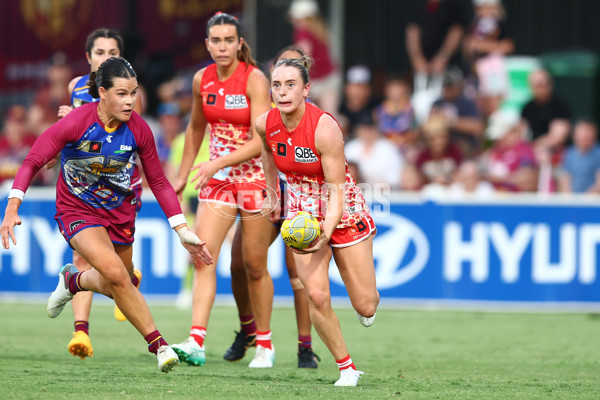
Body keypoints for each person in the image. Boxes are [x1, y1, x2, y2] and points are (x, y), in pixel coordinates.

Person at [0, 57, 213, 373]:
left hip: (120, 214)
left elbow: (158, 181)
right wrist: (12, 207)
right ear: (102, 93)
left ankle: (73, 280)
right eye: (123, 94)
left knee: (120, 281)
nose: (131, 101)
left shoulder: (139, 130)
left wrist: (181, 230)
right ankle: (160, 346)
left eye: (134, 93)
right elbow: (31, 162)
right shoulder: (76, 122)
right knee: (115, 274)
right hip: (77, 210)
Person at [257, 56, 379, 386]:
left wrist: (326, 232)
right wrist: (272, 193)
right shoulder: (265, 123)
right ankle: (346, 368)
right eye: (277, 85)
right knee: (317, 295)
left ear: (307, 89)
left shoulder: (325, 127)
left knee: (366, 305)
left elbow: (337, 191)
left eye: (291, 85)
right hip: (302, 214)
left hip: (344, 209)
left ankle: (363, 304)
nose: (282, 92)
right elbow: (267, 152)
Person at [170, 12, 275, 368]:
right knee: (203, 255)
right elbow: (195, 129)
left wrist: (219, 161)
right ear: (207, 44)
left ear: (240, 43)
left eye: (229, 40)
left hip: (255, 180)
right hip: (217, 182)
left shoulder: (255, 80)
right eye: (216, 41)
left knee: (253, 264)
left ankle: (264, 344)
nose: (222, 47)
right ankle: (197, 339)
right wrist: (183, 174)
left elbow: (263, 139)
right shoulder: (203, 80)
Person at [224, 45, 320, 369]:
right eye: (278, 74)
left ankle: (304, 347)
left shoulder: (314, 117)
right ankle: (249, 330)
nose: (282, 86)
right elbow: (263, 152)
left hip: (301, 200)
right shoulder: (264, 110)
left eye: (290, 75)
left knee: (298, 275)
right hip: (266, 194)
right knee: (241, 264)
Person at [55, 28, 144, 360]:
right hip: (83, 190)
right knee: (84, 257)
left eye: (112, 52)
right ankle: (81, 331)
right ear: (88, 58)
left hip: (119, 188)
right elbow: (69, 135)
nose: (106, 57)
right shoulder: (76, 87)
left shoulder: (131, 93)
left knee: (121, 265)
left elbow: (137, 139)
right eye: (100, 52)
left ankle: (130, 278)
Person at [288, 0, 341, 116]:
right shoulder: (320, 30)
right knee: (330, 116)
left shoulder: (302, 31)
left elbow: (304, 54)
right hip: (329, 77)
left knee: (304, 114)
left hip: (315, 80)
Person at [520, 69, 572, 165]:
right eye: (537, 85)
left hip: (554, 153)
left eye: (543, 84)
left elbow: (558, 137)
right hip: (532, 152)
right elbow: (522, 133)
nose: (541, 89)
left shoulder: (559, 106)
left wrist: (534, 146)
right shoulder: (527, 108)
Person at [557, 120, 600, 194]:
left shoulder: (598, 153)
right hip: (573, 201)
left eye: (588, 131)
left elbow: (598, 185)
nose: (585, 134)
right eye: (582, 131)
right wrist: (570, 199)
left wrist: (585, 200)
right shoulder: (568, 153)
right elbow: (564, 179)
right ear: (574, 135)